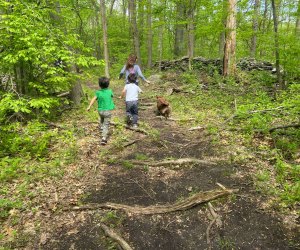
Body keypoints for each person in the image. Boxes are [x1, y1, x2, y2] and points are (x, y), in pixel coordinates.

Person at [87, 77, 115, 145]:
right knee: (106, 124)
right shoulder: (110, 91)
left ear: (99, 85)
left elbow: (93, 99)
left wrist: (89, 106)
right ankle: (104, 138)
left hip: (100, 111)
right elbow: (112, 96)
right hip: (107, 111)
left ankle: (102, 129)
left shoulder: (98, 92)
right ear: (108, 84)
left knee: (102, 121)